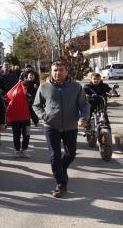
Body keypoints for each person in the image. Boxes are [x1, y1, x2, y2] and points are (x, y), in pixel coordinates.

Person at [33, 61, 89, 198]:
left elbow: (84, 105)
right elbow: (36, 105)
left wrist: (83, 119)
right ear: (51, 72)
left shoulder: (76, 87)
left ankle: (62, 168)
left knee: (71, 154)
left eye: (61, 70)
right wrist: (43, 116)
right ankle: (61, 184)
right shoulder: (44, 87)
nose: (58, 72)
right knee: (54, 156)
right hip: (51, 126)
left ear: (66, 71)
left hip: (70, 126)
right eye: (55, 70)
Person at [11, 81, 40, 158]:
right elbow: (9, 110)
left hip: (26, 121)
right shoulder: (13, 98)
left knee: (26, 135)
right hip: (15, 121)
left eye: (25, 88)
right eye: (21, 88)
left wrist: (35, 120)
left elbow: (32, 110)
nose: (23, 90)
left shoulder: (29, 98)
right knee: (16, 136)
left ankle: (24, 149)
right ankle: (17, 150)